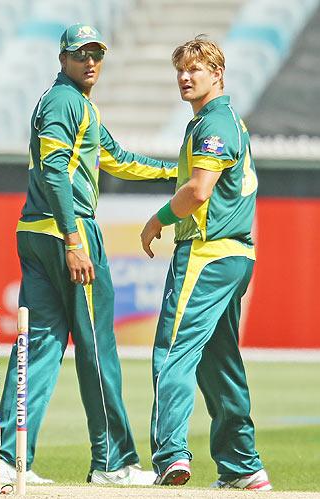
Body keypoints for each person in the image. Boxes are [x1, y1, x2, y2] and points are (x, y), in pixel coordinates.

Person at [0, 23, 177, 486]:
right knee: (97, 348)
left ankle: (9, 457)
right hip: (66, 233)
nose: (91, 62)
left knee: (37, 348)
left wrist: (180, 172)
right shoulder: (64, 101)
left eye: (97, 54)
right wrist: (75, 238)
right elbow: (55, 171)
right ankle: (112, 461)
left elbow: (117, 159)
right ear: (63, 59)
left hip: (38, 233)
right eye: (81, 55)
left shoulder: (78, 105)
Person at [140, 36, 271, 490]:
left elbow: (199, 190)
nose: (185, 77)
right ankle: (243, 465)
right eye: (181, 69)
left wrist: (156, 220)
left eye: (195, 69)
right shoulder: (227, 119)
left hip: (207, 252)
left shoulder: (214, 123)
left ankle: (171, 455)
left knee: (173, 351)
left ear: (218, 73)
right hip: (236, 256)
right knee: (220, 361)